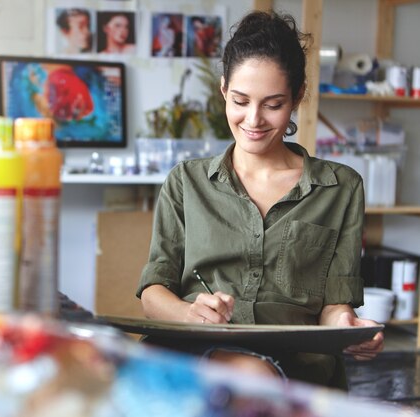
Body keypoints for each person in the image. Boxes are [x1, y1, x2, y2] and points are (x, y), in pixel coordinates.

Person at [136, 10, 384, 389]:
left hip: (292, 365)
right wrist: (189, 313)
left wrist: (347, 329)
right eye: (240, 100)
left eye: (272, 104)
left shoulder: (340, 188)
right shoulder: (186, 182)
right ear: (223, 90)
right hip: (194, 349)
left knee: (249, 378)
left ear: (297, 96)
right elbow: (154, 293)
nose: (253, 120)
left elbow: (336, 305)